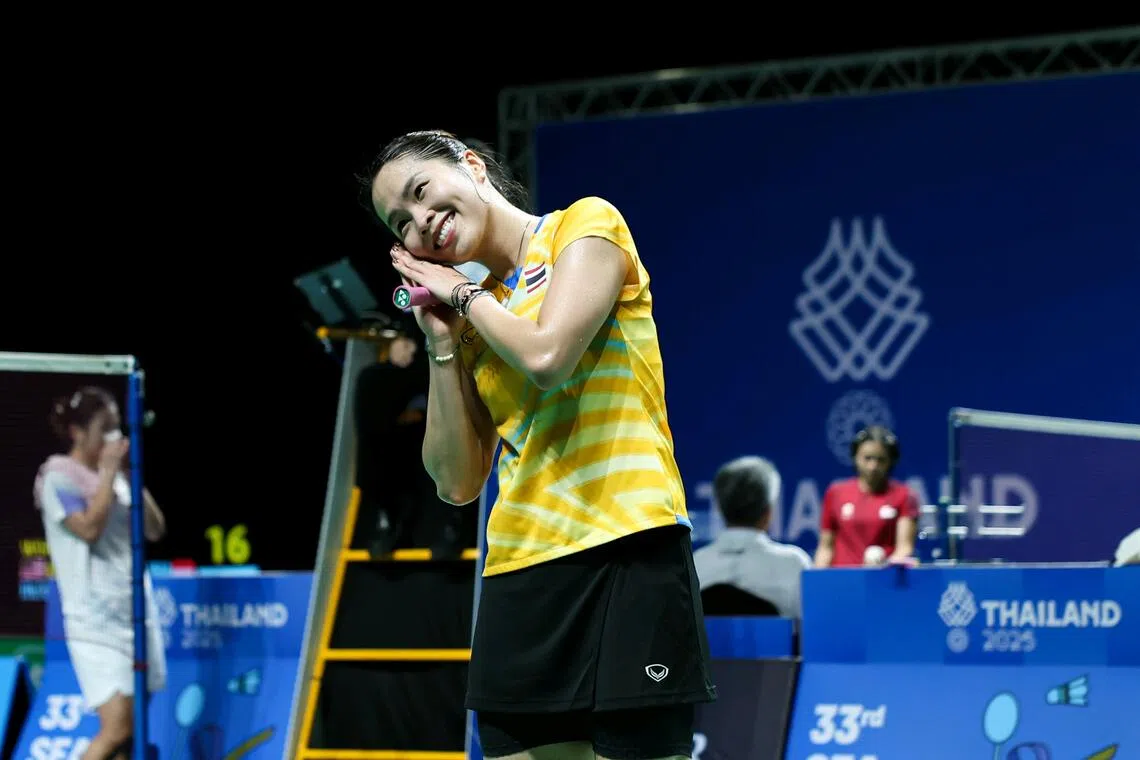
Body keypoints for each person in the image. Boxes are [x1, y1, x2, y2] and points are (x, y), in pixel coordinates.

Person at [368, 130, 716, 760]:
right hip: (523, 571)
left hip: (628, 549)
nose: (423, 222)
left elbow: (549, 355)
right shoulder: (473, 316)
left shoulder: (584, 227)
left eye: (423, 193)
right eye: (403, 222)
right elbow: (456, 481)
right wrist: (441, 341)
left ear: (470, 166)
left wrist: (463, 295)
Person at [33, 386, 167, 760]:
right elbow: (89, 528)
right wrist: (108, 472)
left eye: (116, 426)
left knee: (130, 735)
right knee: (118, 726)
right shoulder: (57, 477)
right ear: (77, 432)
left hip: (135, 612)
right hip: (94, 621)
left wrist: (128, 474)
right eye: (105, 427)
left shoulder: (121, 478)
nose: (115, 436)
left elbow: (155, 528)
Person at [354, 331, 463, 559]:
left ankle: (452, 527)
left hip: (430, 445)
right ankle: (387, 522)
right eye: (405, 344)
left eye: (413, 345)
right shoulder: (372, 376)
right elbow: (373, 421)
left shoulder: (426, 370)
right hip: (393, 452)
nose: (410, 350)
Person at [693, 456, 811, 618]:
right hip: (773, 644)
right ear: (769, 511)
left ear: (719, 509)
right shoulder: (794, 565)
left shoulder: (694, 566)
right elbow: (811, 633)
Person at [814, 425, 918, 568]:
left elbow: (904, 548)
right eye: (867, 458)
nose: (873, 466)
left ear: (891, 461)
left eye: (880, 460)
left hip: (884, 581)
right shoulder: (835, 493)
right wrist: (818, 581)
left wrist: (886, 566)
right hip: (843, 582)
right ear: (855, 458)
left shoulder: (905, 496)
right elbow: (825, 547)